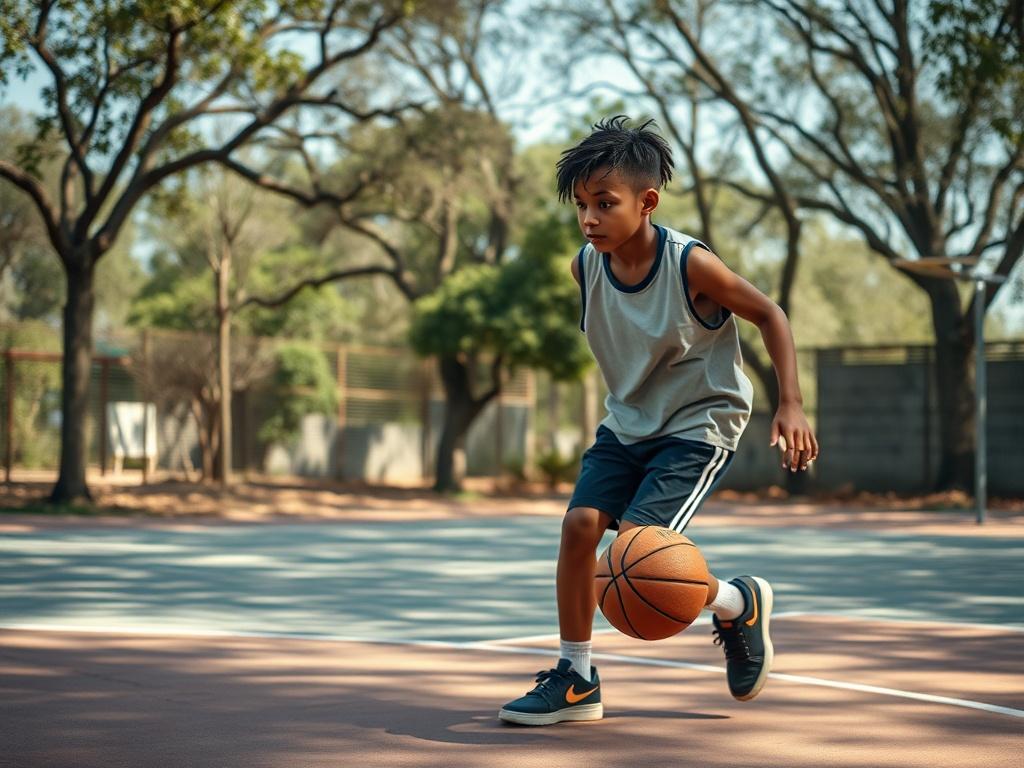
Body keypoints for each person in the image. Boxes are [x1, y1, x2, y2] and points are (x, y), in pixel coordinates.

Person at [498, 115, 819, 726]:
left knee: (634, 556)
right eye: (581, 206)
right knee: (577, 531)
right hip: (626, 425)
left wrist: (792, 402)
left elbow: (770, 314)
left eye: (604, 204)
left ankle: (735, 602)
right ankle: (576, 677)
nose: (589, 218)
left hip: (698, 426)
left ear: (647, 203)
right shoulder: (585, 267)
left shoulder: (689, 265)